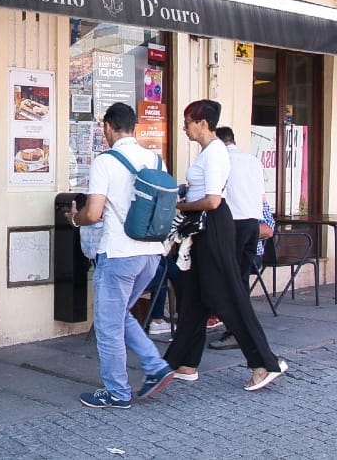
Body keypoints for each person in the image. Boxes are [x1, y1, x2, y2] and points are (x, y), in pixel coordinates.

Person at [164, 100, 287, 391]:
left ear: (203, 123)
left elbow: (213, 200)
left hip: (213, 226)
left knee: (228, 296)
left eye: (188, 121)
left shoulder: (216, 152)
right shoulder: (209, 152)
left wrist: (180, 205)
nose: (184, 127)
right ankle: (183, 362)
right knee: (193, 295)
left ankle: (263, 363)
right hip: (206, 228)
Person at [65, 102, 174, 408]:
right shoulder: (155, 160)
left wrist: (74, 218)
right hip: (152, 254)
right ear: (134, 127)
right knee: (121, 314)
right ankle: (156, 366)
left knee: (108, 324)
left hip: (119, 254)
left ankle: (117, 392)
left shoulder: (106, 162)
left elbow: (95, 213)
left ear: (108, 128)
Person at [209, 126, 265, 351]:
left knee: (231, 281)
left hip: (234, 224)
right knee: (240, 279)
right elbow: (261, 197)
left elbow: (214, 197)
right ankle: (238, 329)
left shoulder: (221, 161)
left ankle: (237, 332)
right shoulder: (252, 160)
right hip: (253, 224)